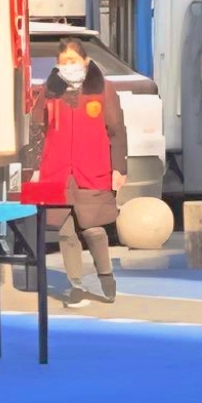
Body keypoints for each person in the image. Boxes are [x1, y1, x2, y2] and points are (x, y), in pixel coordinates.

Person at [27, 39, 129, 304]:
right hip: (55, 172)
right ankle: (76, 286)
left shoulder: (103, 88)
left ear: (85, 61)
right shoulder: (49, 90)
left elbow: (117, 131)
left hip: (92, 170)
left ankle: (105, 275)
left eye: (72, 60)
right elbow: (36, 129)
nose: (68, 65)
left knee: (93, 229)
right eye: (63, 61)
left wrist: (119, 168)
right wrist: (33, 169)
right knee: (64, 231)